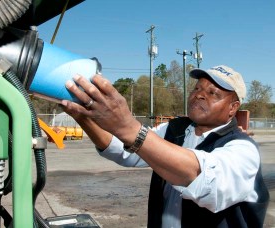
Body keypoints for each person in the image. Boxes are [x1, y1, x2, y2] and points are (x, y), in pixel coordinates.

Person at [61, 65, 269, 228]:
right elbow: (125, 151)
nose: (199, 94)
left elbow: (206, 180)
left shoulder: (243, 149)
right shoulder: (175, 129)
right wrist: (82, 116)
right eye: (197, 88)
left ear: (233, 108)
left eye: (213, 93)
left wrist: (129, 127)